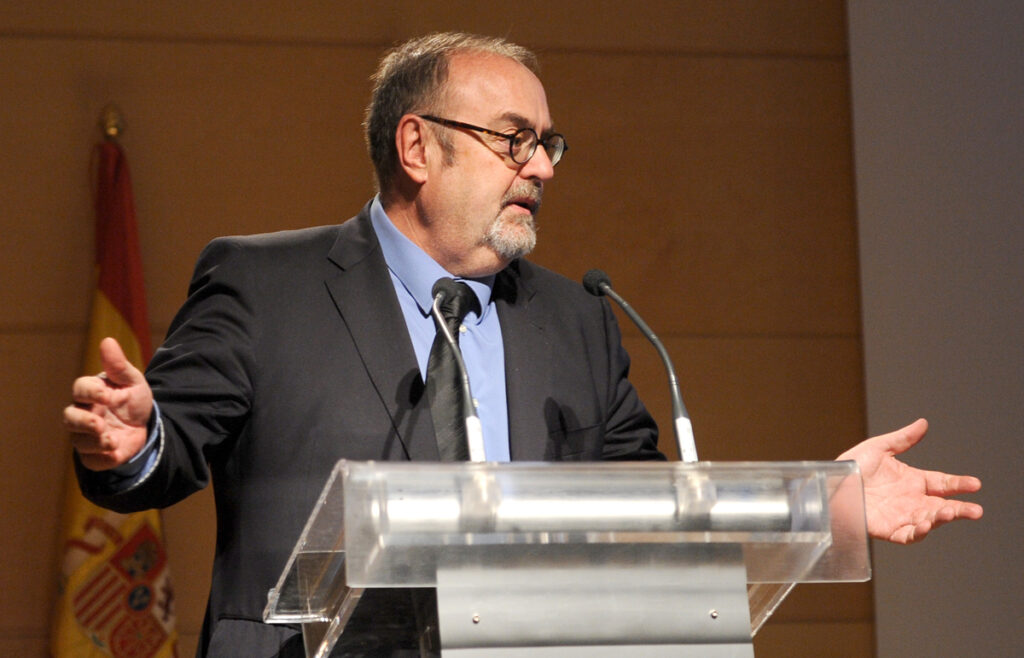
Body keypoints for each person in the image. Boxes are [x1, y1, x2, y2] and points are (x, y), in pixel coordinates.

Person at [64, 33, 982, 657]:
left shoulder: (576, 320)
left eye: (548, 144)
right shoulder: (268, 286)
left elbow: (655, 522)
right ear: (417, 148)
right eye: (513, 140)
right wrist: (133, 441)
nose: (541, 166)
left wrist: (827, 505)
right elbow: (163, 451)